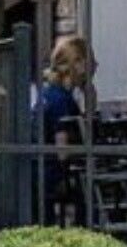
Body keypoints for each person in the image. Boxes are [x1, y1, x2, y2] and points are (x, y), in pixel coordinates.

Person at [36, 35, 93, 218]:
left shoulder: (48, 93)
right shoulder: (62, 101)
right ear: (76, 63)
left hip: (39, 171)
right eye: (87, 61)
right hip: (52, 176)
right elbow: (63, 151)